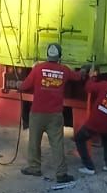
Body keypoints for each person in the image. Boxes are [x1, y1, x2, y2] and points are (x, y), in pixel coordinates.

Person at [9, 43, 83, 184]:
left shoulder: (38, 69)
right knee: (57, 144)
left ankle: (34, 168)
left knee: (34, 142)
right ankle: (61, 174)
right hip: (55, 115)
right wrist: (85, 71)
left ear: (47, 55)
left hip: (37, 114)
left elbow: (24, 86)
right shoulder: (64, 70)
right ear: (59, 57)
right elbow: (77, 77)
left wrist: (19, 85)